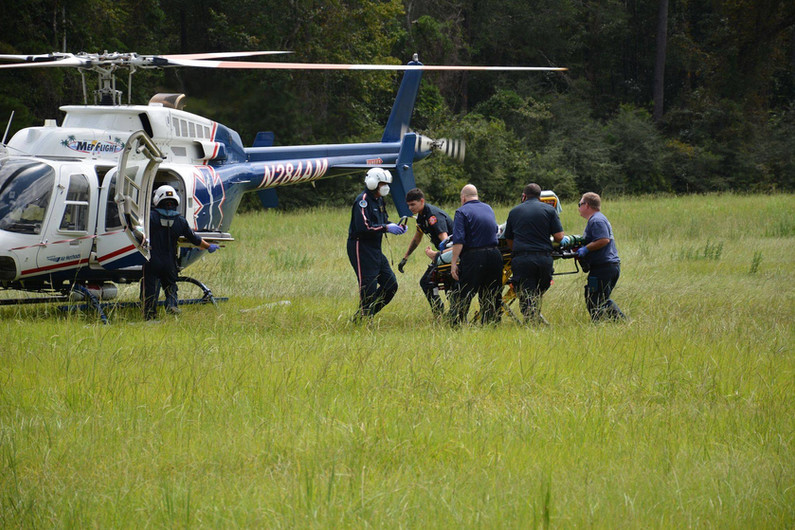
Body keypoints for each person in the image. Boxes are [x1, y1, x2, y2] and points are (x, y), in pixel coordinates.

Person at [142, 185, 219, 320]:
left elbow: (138, 233)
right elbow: (195, 239)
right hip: (170, 261)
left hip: (152, 260)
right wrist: (208, 246)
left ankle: (150, 316)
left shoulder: (150, 218)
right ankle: (172, 304)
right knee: (171, 285)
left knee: (150, 289)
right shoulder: (181, 221)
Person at [347, 167, 407, 320]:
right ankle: (363, 319)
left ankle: (365, 315)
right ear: (373, 183)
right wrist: (386, 228)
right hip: (361, 248)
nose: (385, 187)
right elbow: (364, 227)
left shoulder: (379, 200)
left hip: (375, 249)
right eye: (382, 184)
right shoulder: (363, 201)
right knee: (369, 287)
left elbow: (382, 221)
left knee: (391, 285)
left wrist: (395, 226)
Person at [503, 183, 567, 325]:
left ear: (524, 196)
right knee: (538, 290)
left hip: (523, 259)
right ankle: (533, 318)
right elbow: (559, 237)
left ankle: (530, 320)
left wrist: (517, 251)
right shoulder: (549, 211)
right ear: (540, 197)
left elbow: (508, 238)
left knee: (526, 291)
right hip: (543, 258)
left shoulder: (514, 212)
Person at [448, 184, 503, 326]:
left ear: (463, 198)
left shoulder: (461, 212)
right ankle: (492, 324)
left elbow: (458, 240)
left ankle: (457, 323)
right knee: (492, 293)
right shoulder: (488, 208)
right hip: (495, 255)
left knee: (464, 292)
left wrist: (454, 263)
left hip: (474, 256)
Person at [397, 188, 453, 317]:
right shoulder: (421, 217)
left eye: (413, 204)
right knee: (429, 282)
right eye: (408, 205)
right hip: (445, 254)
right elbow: (417, 238)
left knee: (429, 281)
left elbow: (446, 240)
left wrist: (437, 255)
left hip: (452, 253)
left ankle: (444, 314)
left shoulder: (433, 216)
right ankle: (440, 313)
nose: (410, 208)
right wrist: (405, 257)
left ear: (422, 201)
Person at [576, 192, 627, 322]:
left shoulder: (596, 220)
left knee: (597, 300)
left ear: (586, 205)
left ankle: (621, 322)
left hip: (603, 267)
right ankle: (605, 324)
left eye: (580, 204)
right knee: (596, 298)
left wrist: (586, 249)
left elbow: (604, 240)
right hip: (606, 266)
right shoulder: (597, 219)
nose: (579, 207)